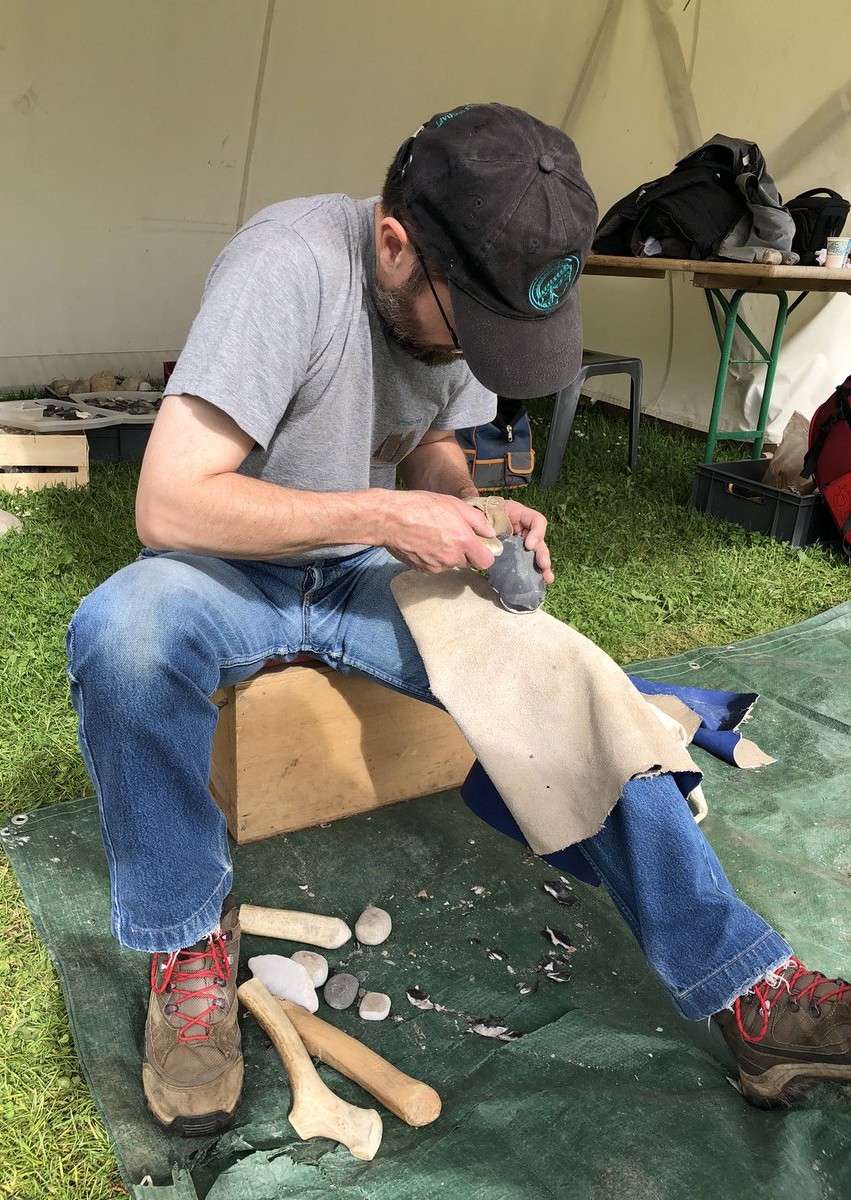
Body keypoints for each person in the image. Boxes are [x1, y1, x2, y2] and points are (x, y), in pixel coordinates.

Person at [67, 103, 850, 1136]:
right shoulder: (286, 267)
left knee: (564, 670)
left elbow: (435, 443)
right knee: (124, 634)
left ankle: (751, 992)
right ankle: (185, 948)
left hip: (364, 567)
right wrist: (383, 512)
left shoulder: (468, 280)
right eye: (468, 328)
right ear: (395, 245)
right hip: (228, 564)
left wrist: (468, 513)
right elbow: (169, 502)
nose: (476, 350)